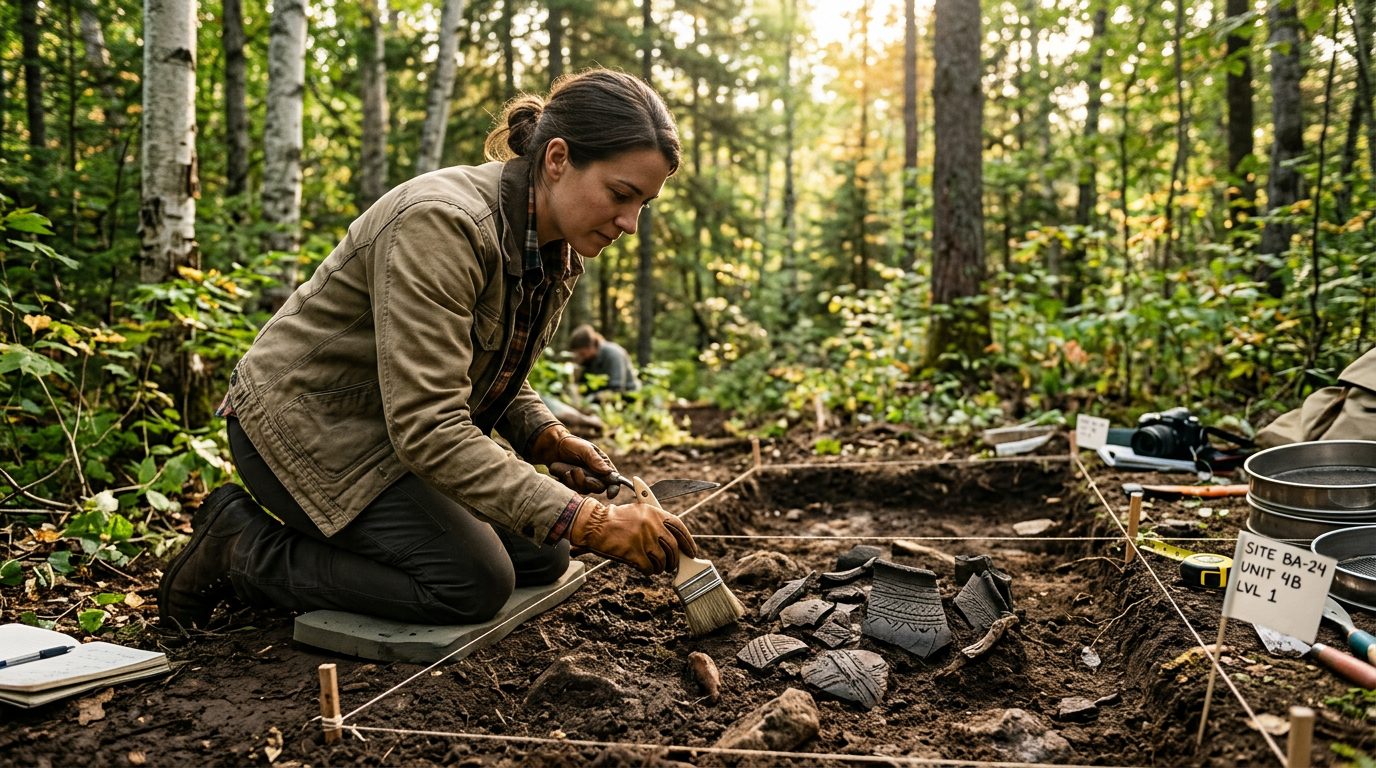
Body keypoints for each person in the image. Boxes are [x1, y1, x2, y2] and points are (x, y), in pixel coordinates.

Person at [158, 69, 699, 629]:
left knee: (544, 553)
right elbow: (429, 426)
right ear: (557, 159)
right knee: (471, 582)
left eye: (644, 205)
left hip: (391, 429)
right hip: (305, 429)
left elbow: (478, 361)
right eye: (621, 194)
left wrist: (543, 434)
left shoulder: (554, 248)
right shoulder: (442, 225)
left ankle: (360, 544)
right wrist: (590, 519)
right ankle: (239, 549)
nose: (630, 224)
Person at [569, 324, 640, 399]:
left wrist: (594, 398)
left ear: (592, 346)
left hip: (627, 398)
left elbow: (617, 388)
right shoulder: (589, 360)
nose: (580, 357)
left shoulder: (613, 354)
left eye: (582, 354)